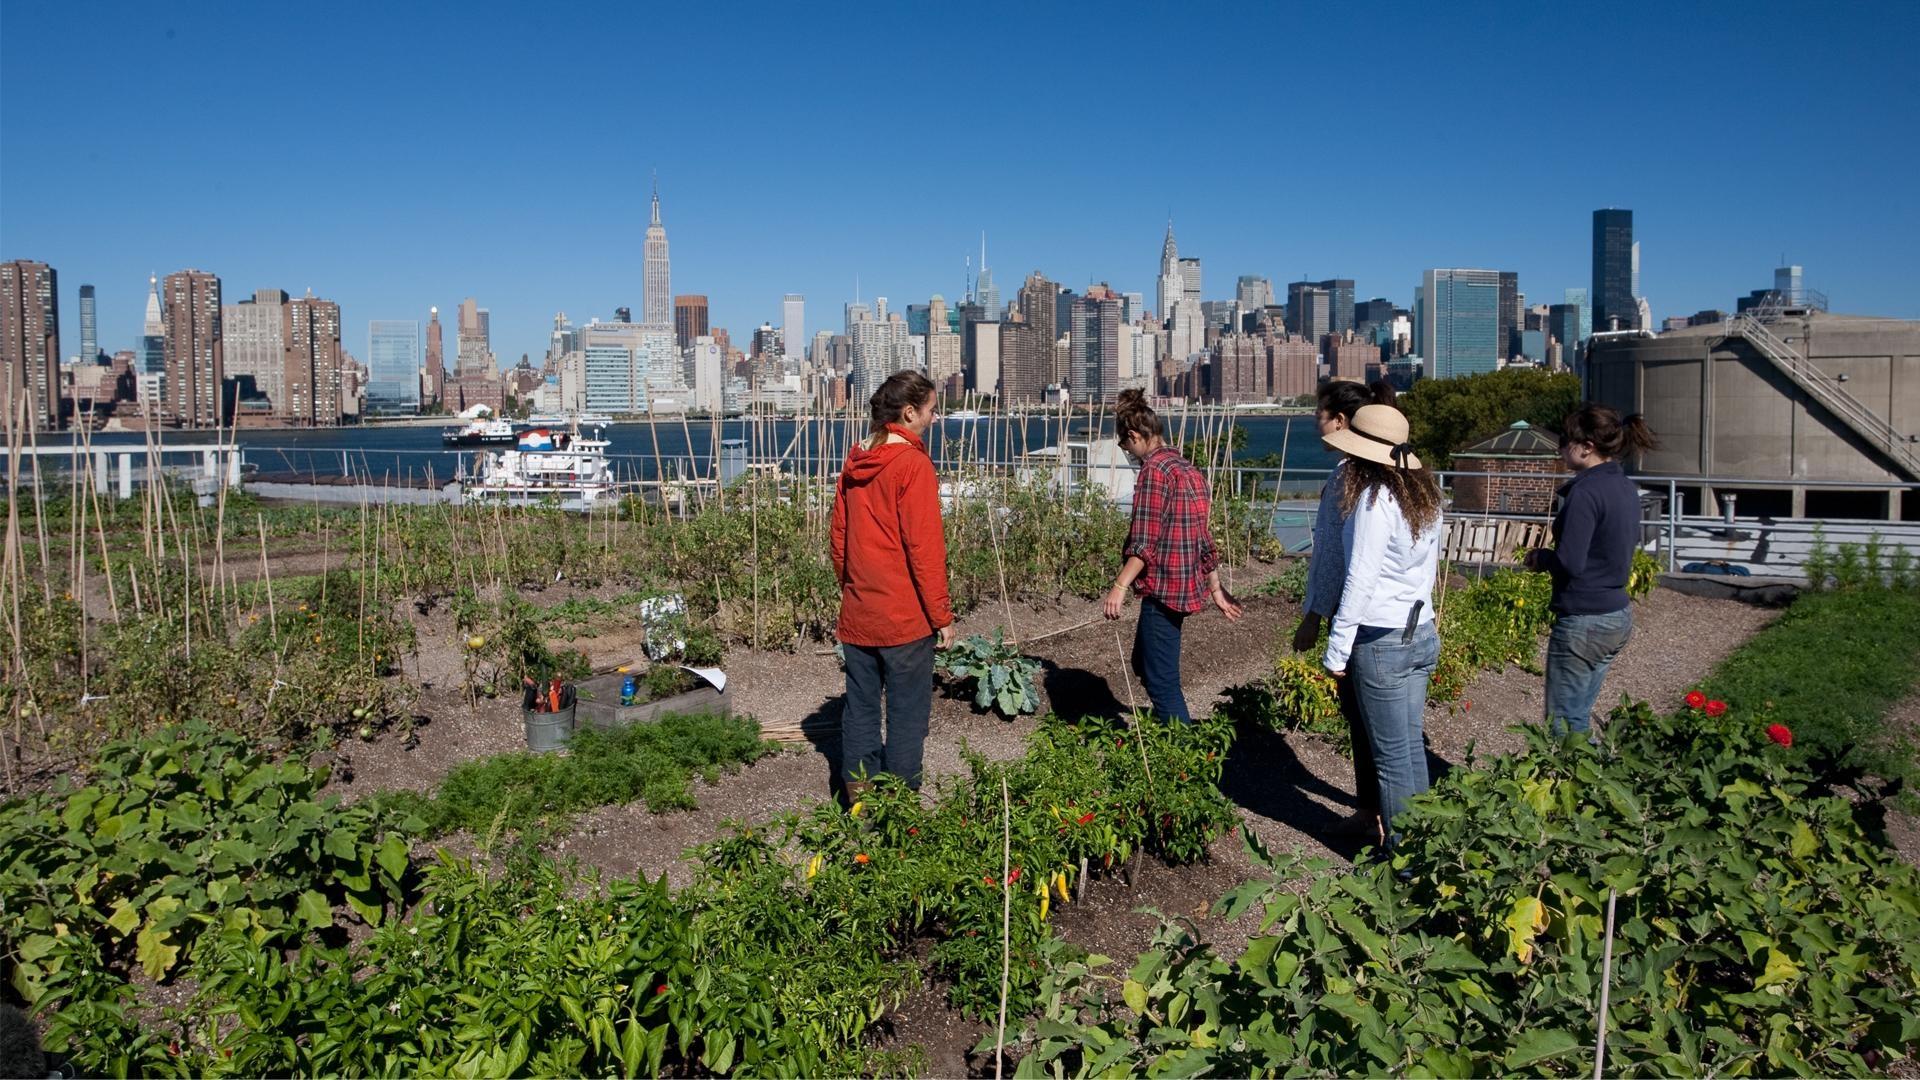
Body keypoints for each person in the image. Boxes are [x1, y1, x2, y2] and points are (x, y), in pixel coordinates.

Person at [1320, 403, 1442, 851]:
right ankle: (1428, 851)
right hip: (1419, 630)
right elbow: (1426, 569)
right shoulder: (1423, 496)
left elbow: (1360, 578)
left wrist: (1336, 651)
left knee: (1391, 760)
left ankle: (1405, 860)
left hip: (1382, 640)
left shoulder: (1373, 499)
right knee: (1409, 749)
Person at [830, 370, 955, 795]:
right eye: (931, 411)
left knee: (860, 711)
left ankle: (860, 808)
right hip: (904, 618)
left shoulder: (855, 461)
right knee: (906, 716)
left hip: (859, 613)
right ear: (908, 413)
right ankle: (898, 817)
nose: (934, 419)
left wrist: (854, 587)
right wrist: (942, 615)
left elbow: (840, 541)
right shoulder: (913, 465)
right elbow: (925, 550)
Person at [1291, 379, 1398, 839]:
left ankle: (1377, 815)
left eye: (1320, 412)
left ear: (1339, 421)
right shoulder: (1388, 474)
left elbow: (1335, 560)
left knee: (1368, 724)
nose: (1316, 419)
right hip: (1403, 622)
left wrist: (1315, 617)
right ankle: (1374, 810)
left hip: (1362, 622)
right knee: (1380, 728)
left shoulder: (1348, 479)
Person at [1102, 389, 1244, 722]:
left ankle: (1180, 753)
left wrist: (1120, 586)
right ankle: (1168, 729)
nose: (1127, 452)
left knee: (1161, 681)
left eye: (1125, 445)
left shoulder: (1155, 471)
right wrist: (1215, 588)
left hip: (1163, 588)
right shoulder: (1188, 469)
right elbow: (1202, 537)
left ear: (1135, 436)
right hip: (1184, 585)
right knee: (1145, 661)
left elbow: (1144, 539)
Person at [1524, 404, 1660, 737]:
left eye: (1566, 441)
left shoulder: (1585, 492)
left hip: (1584, 620)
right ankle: (1594, 781)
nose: (1561, 448)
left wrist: (1541, 559)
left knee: (1562, 725)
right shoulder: (1624, 487)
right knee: (1577, 717)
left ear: (1587, 447)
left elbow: (1570, 561)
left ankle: (1578, 785)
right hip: (1615, 612)